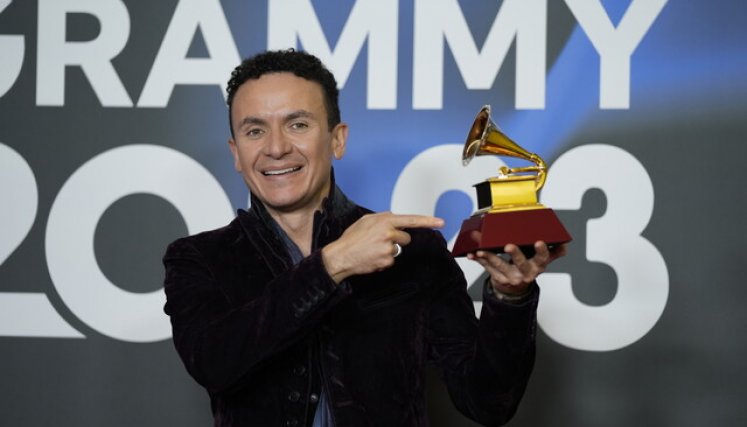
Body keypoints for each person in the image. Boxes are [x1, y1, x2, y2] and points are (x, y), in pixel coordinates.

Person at [163, 49, 566, 427]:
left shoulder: (415, 250)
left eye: (298, 124)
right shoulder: (198, 258)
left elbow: (488, 402)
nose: (276, 147)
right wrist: (332, 265)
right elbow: (214, 363)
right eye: (255, 131)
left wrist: (510, 300)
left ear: (337, 139)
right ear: (236, 152)